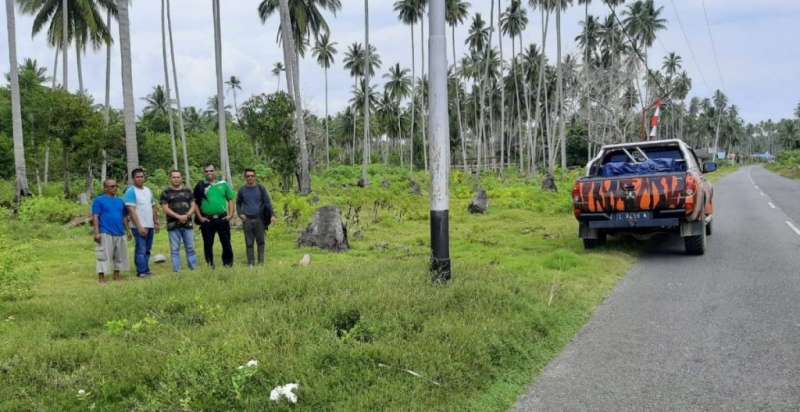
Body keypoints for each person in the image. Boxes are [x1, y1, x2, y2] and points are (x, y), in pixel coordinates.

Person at [194, 164, 236, 268]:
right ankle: (210, 264)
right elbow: (194, 203)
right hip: (207, 220)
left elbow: (230, 199)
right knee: (208, 243)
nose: (209, 173)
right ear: (204, 173)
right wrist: (200, 217)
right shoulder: (200, 186)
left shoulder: (223, 184)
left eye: (211, 171)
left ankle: (228, 263)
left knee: (226, 242)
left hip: (222, 218)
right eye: (207, 171)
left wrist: (230, 214)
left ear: (216, 172)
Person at [92, 179, 132, 283]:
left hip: (120, 231)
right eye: (112, 186)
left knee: (119, 255)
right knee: (103, 255)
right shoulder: (99, 200)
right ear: (105, 188)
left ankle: (117, 275)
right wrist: (97, 232)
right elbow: (95, 216)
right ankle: (101, 277)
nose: (115, 188)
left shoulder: (120, 201)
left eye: (116, 186)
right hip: (106, 231)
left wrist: (128, 231)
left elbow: (124, 217)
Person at [236, 168, 278, 267]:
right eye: (248, 176)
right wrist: (240, 213)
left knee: (261, 242)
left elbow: (267, 202)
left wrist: (272, 215)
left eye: (252, 176)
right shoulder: (242, 190)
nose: (250, 177)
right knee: (249, 242)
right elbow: (238, 203)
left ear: (255, 177)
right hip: (247, 220)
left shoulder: (260, 188)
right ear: (245, 177)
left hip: (260, 219)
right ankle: (251, 263)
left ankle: (261, 263)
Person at [160, 170, 199, 272]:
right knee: (175, 250)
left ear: (181, 178)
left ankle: (193, 269)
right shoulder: (165, 192)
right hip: (173, 225)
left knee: (191, 248)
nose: (176, 179)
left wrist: (187, 215)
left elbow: (193, 205)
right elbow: (165, 208)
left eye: (178, 177)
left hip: (187, 224)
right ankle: (177, 271)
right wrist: (178, 217)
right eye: (174, 177)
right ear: (170, 178)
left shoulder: (188, 191)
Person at [124, 167, 160, 278]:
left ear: (144, 178)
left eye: (141, 176)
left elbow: (153, 207)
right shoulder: (131, 191)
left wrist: (156, 222)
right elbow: (131, 210)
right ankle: (142, 272)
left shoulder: (148, 190)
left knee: (147, 249)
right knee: (141, 249)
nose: (140, 179)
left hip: (150, 224)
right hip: (138, 226)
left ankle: (146, 269)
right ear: (133, 179)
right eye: (137, 177)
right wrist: (139, 226)